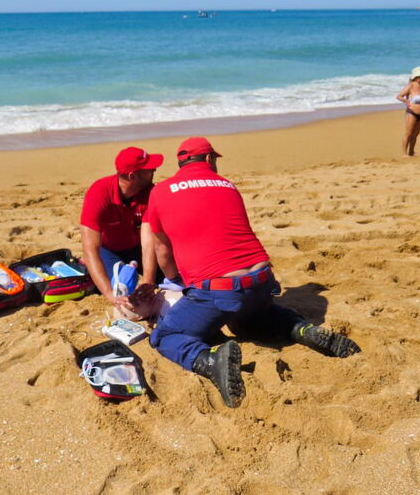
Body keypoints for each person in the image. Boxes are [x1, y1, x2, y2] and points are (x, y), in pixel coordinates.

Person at [144, 137, 361, 408]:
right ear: (209, 160)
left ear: (180, 163)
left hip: (220, 290)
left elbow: (162, 250)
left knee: (165, 336)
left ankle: (209, 360)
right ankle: (299, 328)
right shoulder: (228, 186)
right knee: (245, 321)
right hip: (261, 280)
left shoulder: (161, 191)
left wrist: (176, 280)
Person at [80, 147, 167, 320]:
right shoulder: (99, 192)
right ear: (132, 176)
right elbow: (90, 249)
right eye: (150, 169)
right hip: (109, 250)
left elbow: (148, 240)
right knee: (121, 288)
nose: (154, 171)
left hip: (137, 246)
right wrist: (109, 295)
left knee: (169, 276)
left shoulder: (151, 192)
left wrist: (149, 280)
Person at [396, 66, 420, 156]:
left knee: (416, 134)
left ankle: (411, 151)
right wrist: (406, 101)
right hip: (412, 113)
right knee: (408, 133)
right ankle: (404, 153)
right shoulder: (411, 86)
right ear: (415, 77)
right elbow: (399, 96)